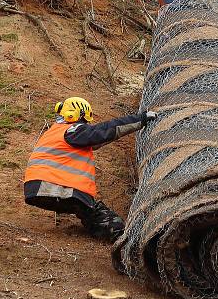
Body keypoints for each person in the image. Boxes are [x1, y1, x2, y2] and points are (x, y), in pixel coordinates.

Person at [24, 97, 156, 242]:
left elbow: (99, 138)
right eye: (84, 121)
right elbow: (103, 131)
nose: (85, 125)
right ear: (78, 115)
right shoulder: (73, 130)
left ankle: (101, 230)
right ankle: (128, 244)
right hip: (57, 187)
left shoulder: (54, 132)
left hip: (37, 189)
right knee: (111, 223)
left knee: (89, 212)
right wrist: (141, 119)